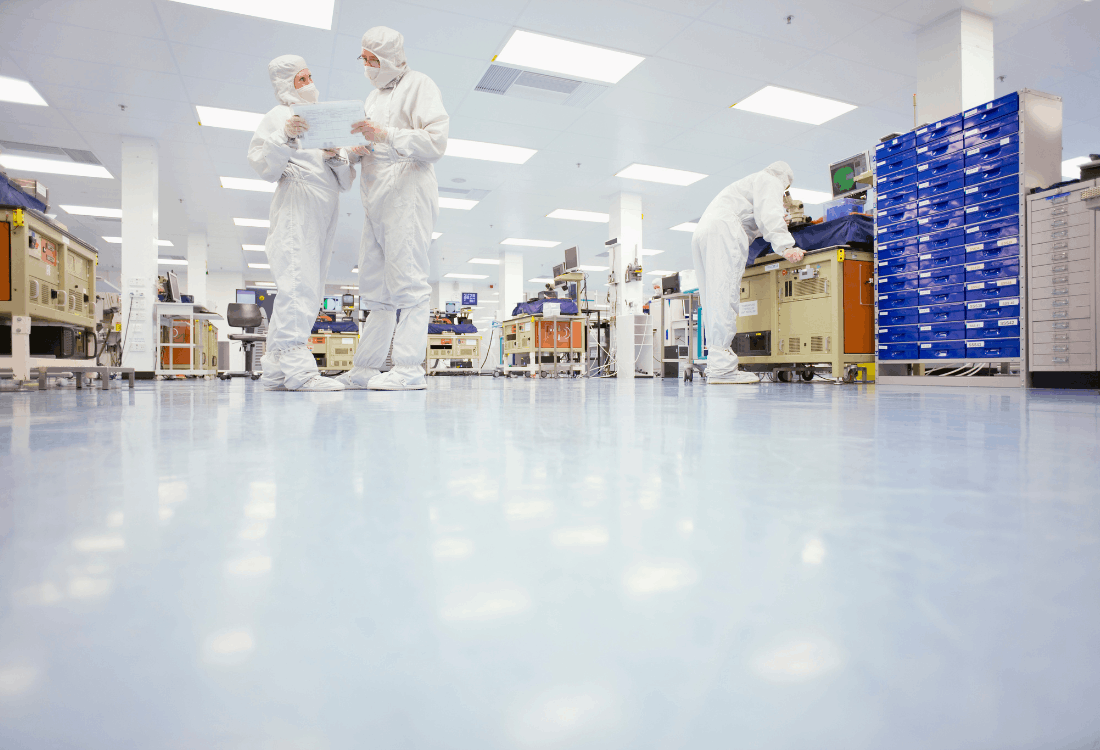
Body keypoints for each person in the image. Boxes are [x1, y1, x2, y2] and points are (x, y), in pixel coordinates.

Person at [335, 27, 449, 391]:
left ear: (392, 59)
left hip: (407, 189)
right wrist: (353, 149)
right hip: (375, 195)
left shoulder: (419, 84)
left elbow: (435, 142)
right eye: (364, 60)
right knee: (375, 288)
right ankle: (367, 367)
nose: (368, 67)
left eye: (374, 60)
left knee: (409, 282)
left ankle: (409, 369)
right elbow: (367, 139)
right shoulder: (370, 98)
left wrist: (385, 135)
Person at [247, 55, 356, 391]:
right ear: (285, 85)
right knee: (298, 285)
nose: (309, 84)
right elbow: (265, 167)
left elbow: (345, 181)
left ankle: (276, 369)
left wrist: (335, 155)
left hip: (325, 207)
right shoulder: (278, 117)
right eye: (301, 79)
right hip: (297, 202)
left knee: (309, 290)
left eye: (310, 76)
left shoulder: (324, 119)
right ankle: (300, 371)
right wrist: (285, 136)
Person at [692, 161, 805, 385]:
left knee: (713, 297)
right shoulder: (770, 180)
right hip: (724, 231)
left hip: (704, 231)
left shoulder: (748, 184)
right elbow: (770, 214)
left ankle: (717, 364)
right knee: (725, 294)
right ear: (785, 180)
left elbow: (757, 218)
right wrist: (786, 246)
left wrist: (768, 226)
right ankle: (723, 370)